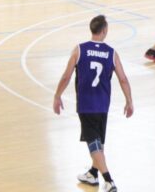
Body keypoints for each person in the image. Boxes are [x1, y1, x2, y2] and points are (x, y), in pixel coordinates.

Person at [53, 15, 133, 192]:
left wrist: (57, 95)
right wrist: (129, 101)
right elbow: (123, 79)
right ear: (104, 31)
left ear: (92, 29)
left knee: (93, 144)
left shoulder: (79, 50)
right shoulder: (112, 53)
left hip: (86, 105)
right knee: (97, 142)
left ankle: (109, 180)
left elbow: (66, 76)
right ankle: (92, 174)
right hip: (103, 105)